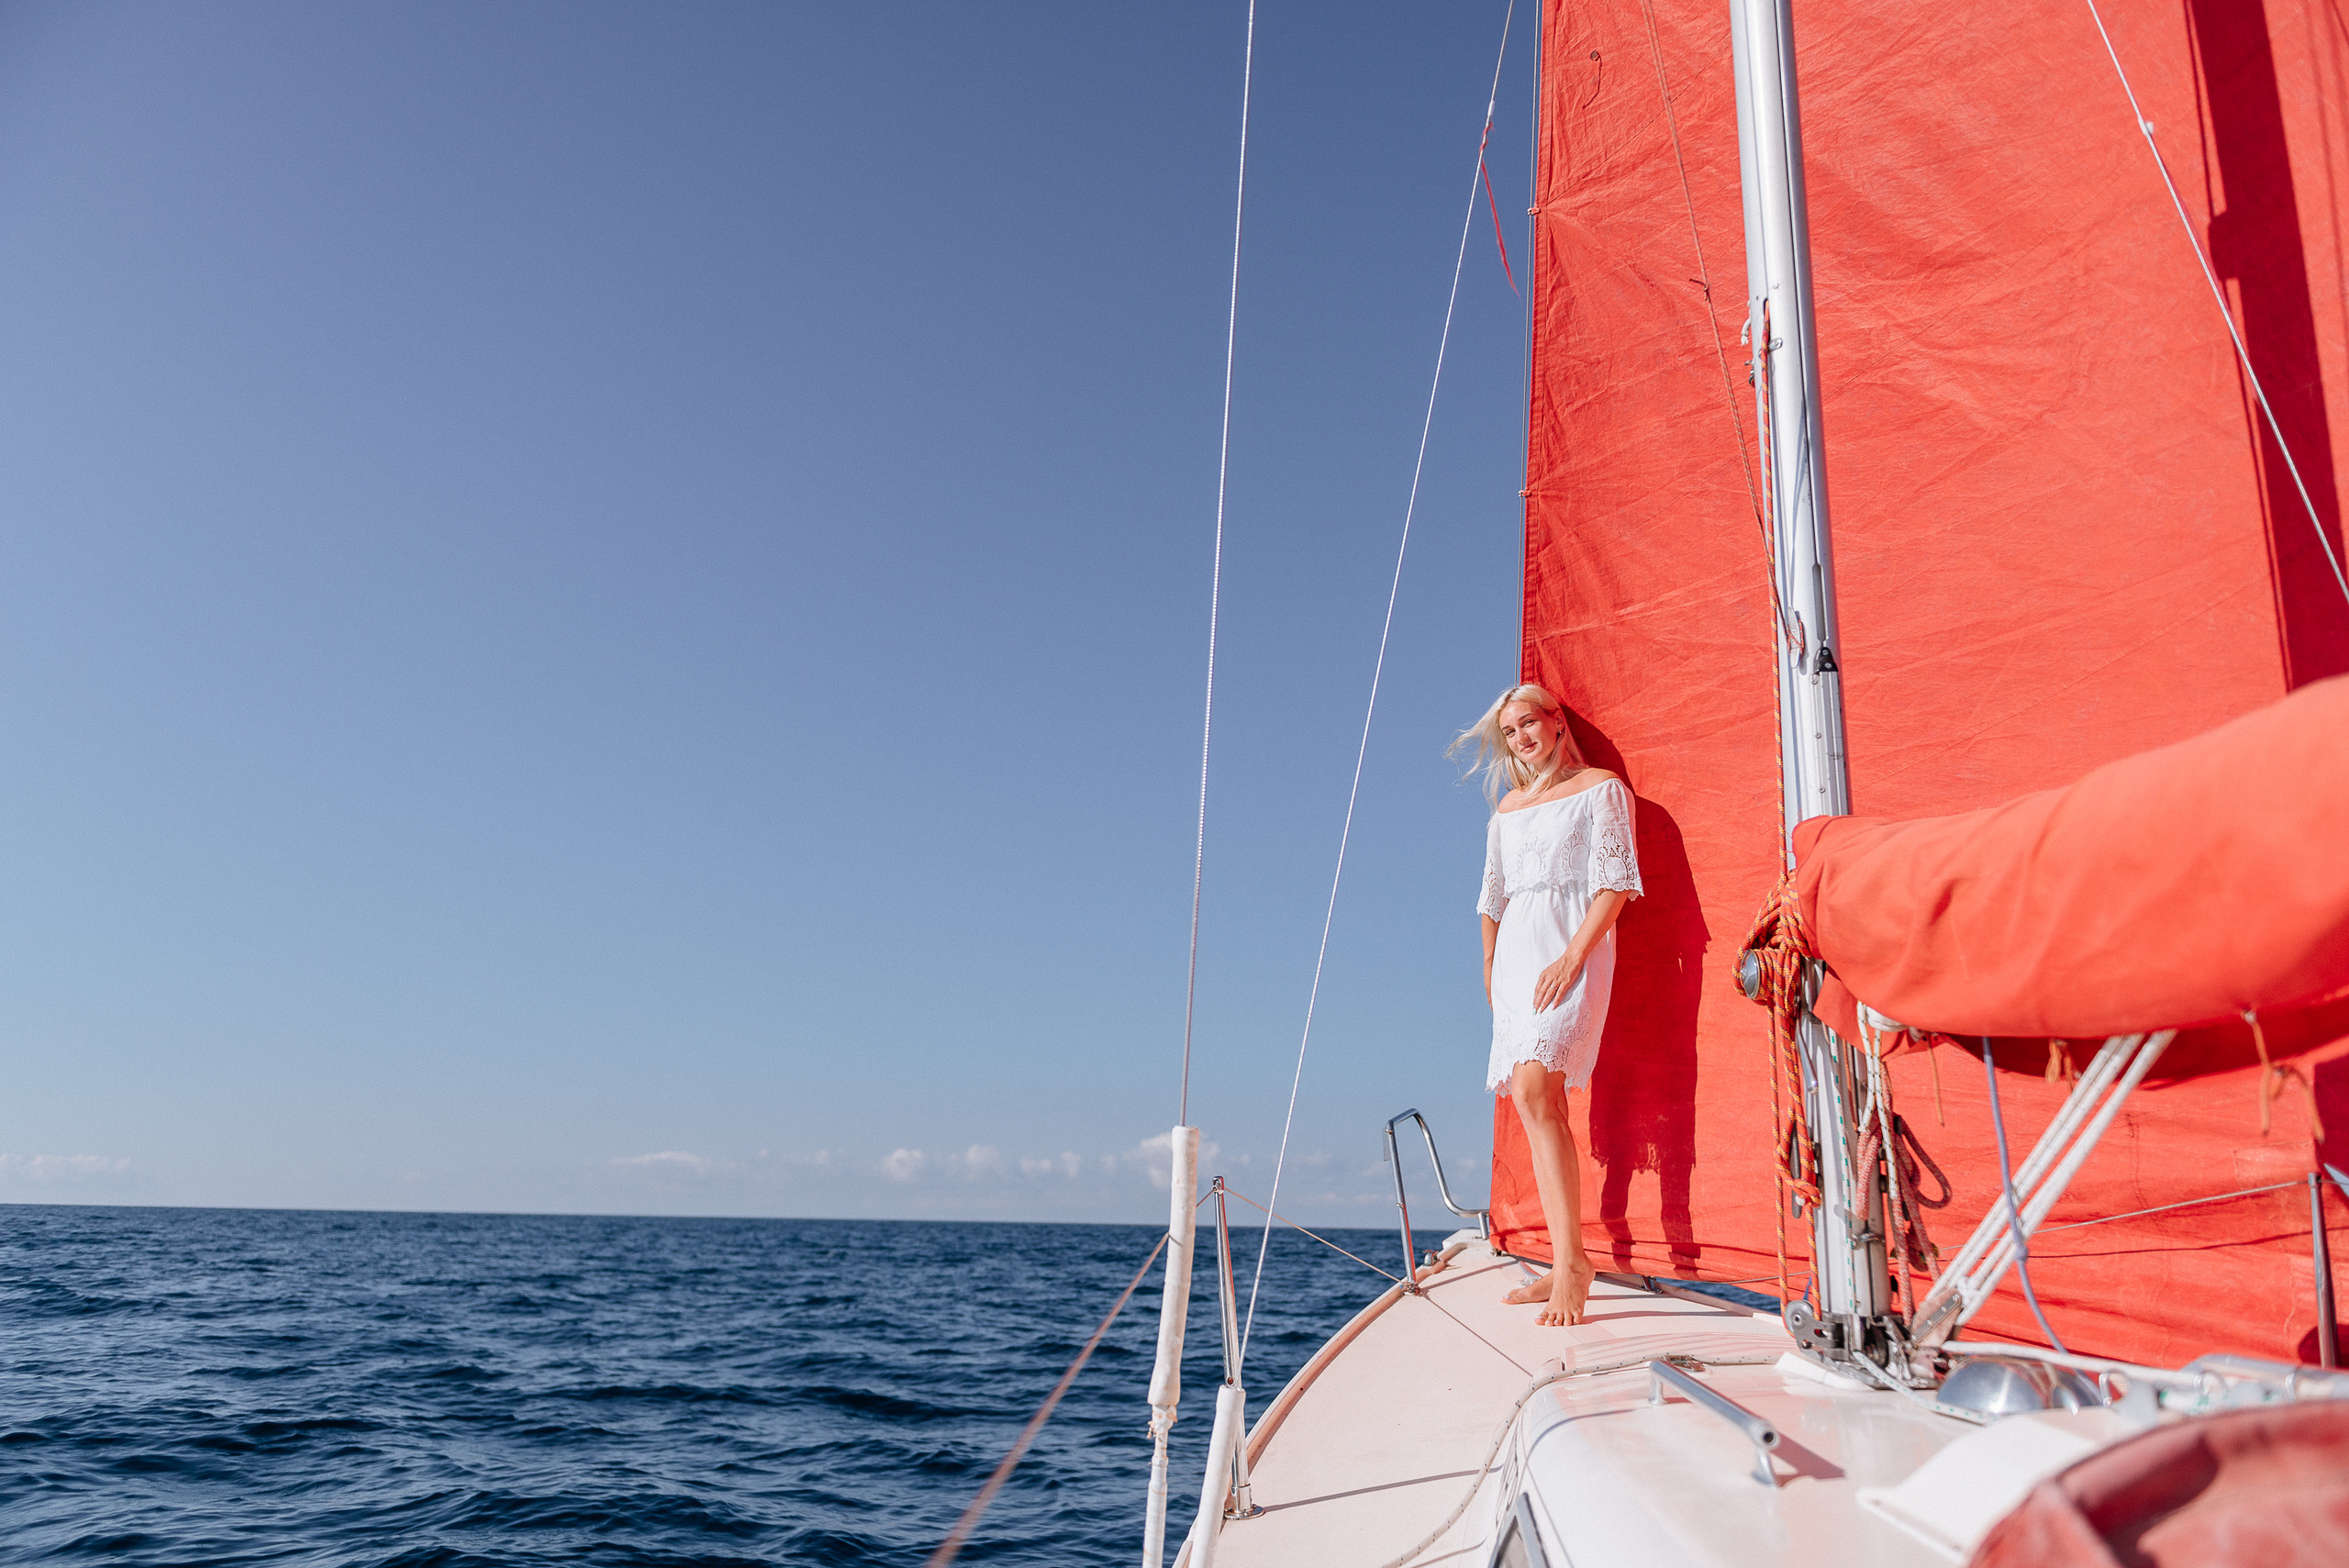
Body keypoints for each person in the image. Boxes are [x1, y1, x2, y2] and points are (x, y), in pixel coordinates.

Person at [1450, 684, 1642, 1326]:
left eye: (1528, 723)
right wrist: (1486, 961)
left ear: (1556, 722)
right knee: (1534, 1103)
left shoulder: (1601, 789)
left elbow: (1615, 883)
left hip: (1572, 950)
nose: (1520, 737)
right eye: (1509, 731)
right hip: (1514, 962)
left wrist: (1572, 958)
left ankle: (1572, 1266)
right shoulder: (1506, 808)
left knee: (1538, 1090)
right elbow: (1491, 894)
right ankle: (1568, 1262)